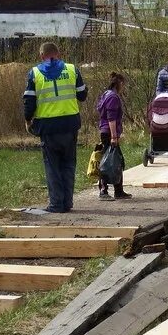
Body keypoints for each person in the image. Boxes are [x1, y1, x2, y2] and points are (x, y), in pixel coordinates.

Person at [23, 41, 88, 213]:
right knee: (69, 164)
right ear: (58, 54)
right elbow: (82, 95)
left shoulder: (35, 73)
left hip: (48, 126)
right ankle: (67, 202)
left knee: (52, 166)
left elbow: (29, 102)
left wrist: (28, 120)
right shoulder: (72, 69)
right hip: (70, 124)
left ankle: (56, 204)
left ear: (41, 56)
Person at [96, 71, 132, 201]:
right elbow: (111, 118)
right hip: (109, 133)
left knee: (117, 160)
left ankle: (118, 190)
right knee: (108, 162)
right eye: (123, 84)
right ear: (119, 83)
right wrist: (114, 137)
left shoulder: (106, 94)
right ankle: (103, 190)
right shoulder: (113, 97)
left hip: (106, 131)